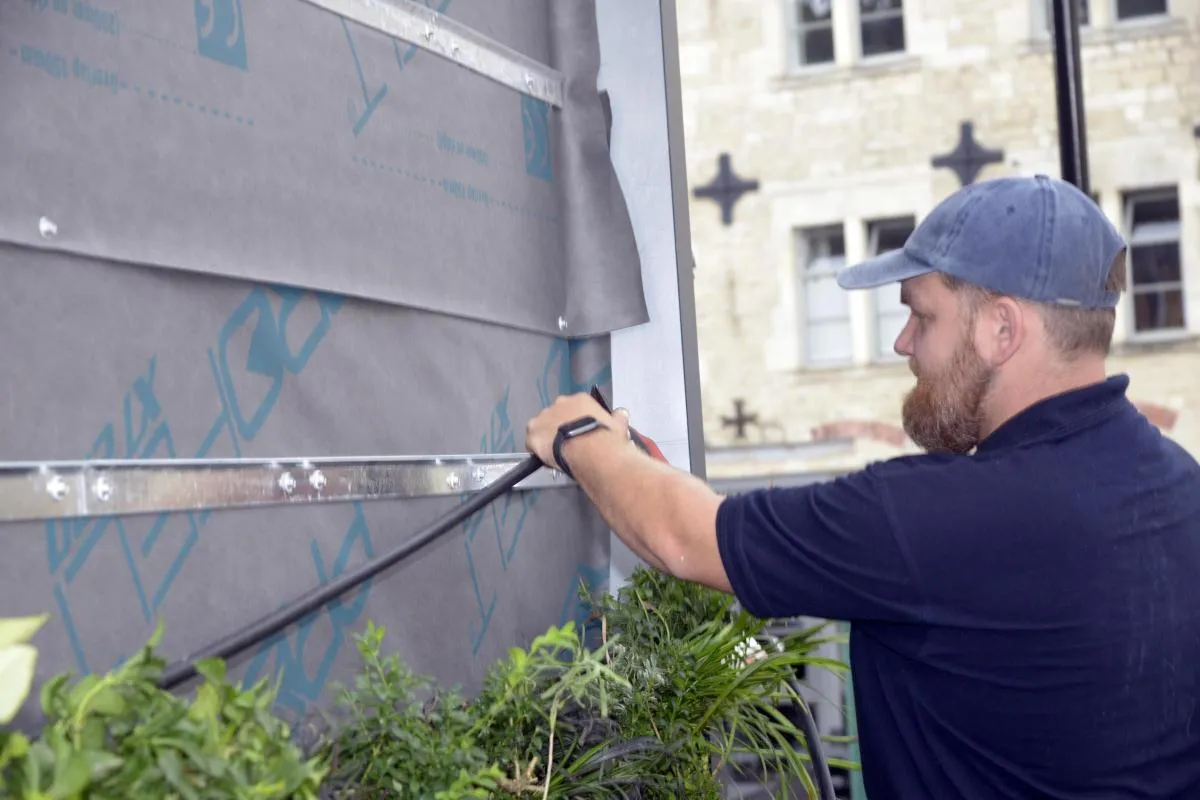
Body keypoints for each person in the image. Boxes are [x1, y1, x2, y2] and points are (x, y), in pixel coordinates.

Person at [524, 174, 1200, 799]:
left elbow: (684, 538)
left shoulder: (940, 516)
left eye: (922, 316)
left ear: (1002, 328)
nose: (903, 344)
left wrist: (582, 438)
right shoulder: (1180, 487)